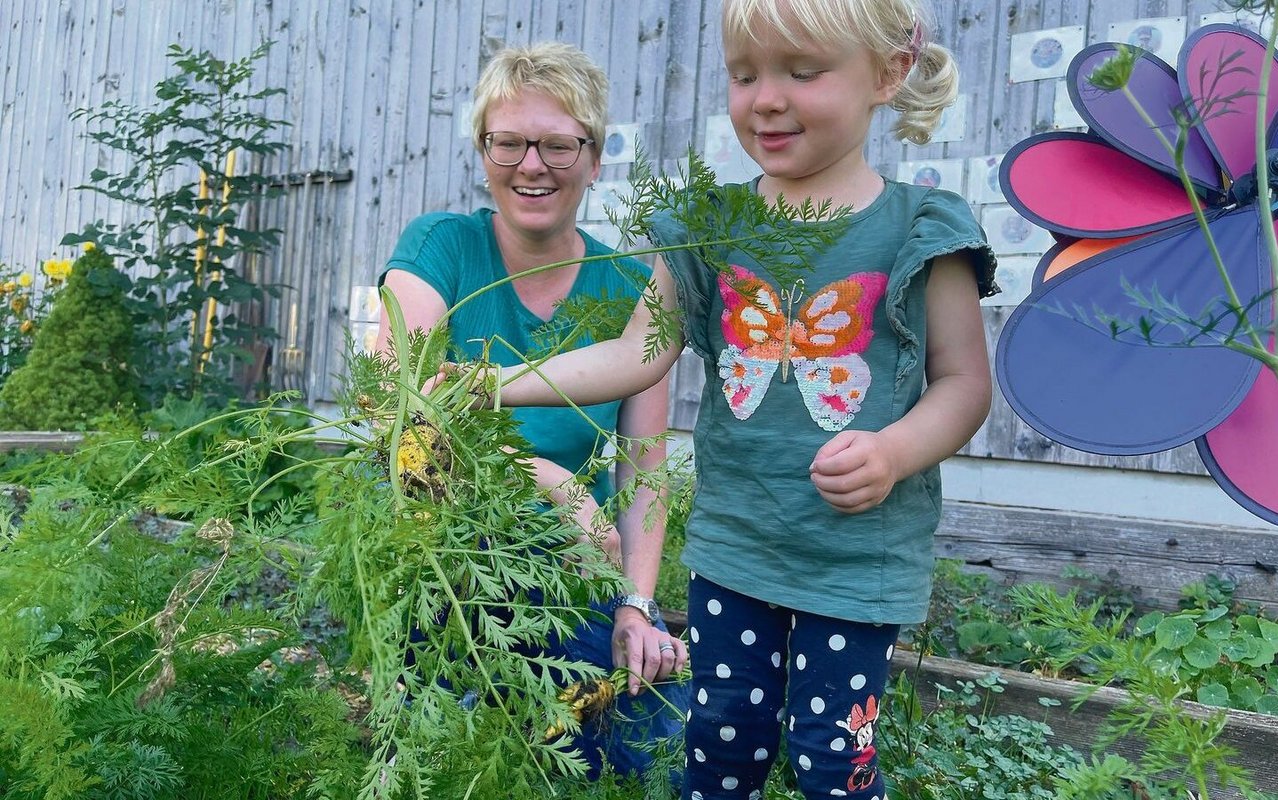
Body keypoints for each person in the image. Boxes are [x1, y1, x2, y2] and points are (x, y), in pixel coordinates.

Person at [477, 2, 999, 798]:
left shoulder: (918, 228)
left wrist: (894, 452)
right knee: (719, 746)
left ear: (887, 75)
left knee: (835, 759)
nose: (766, 99)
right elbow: (632, 355)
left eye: (803, 71)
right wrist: (492, 384)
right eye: (744, 74)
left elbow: (964, 383)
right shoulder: (707, 228)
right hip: (735, 553)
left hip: (854, 563)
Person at [374, 42, 688, 779]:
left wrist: (637, 606)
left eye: (557, 144)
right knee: (456, 749)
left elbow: (645, 467)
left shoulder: (629, 288)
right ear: (484, 151)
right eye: (508, 142)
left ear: (595, 157)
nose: (532, 165)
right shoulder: (440, 247)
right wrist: (544, 476)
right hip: (440, 549)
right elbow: (400, 410)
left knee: (650, 748)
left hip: (567, 563)